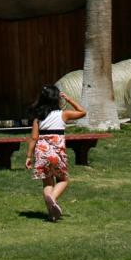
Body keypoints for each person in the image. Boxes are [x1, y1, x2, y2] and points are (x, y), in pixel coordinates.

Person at [25, 83, 86, 221]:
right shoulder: (63, 114)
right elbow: (83, 112)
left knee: (47, 183)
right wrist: (69, 99)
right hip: (57, 153)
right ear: (57, 99)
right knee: (63, 180)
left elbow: (34, 138)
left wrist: (28, 156)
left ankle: (51, 214)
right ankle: (52, 198)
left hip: (41, 152)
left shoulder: (38, 118)